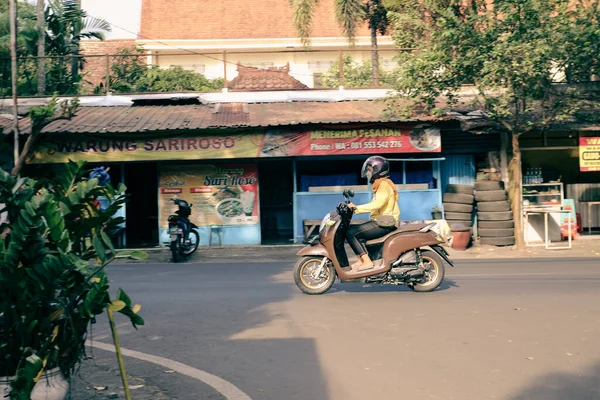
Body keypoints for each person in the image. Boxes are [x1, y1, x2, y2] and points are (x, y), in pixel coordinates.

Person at [347, 156, 400, 271]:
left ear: (377, 170)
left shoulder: (384, 185)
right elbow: (375, 205)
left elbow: (377, 205)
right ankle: (362, 260)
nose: (368, 173)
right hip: (380, 221)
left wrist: (356, 209)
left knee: (351, 232)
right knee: (352, 230)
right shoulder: (380, 184)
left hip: (385, 223)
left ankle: (366, 262)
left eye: (370, 170)